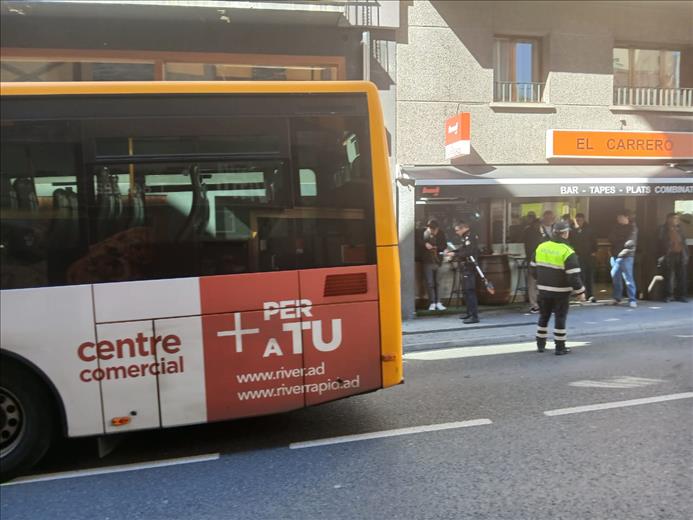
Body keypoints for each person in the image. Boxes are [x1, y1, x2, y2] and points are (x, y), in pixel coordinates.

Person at [530, 220, 586, 355]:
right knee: (560, 318)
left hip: (543, 290)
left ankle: (540, 344)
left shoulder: (541, 247)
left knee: (543, 316)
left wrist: (542, 281)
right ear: (565, 233)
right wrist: (580, 292)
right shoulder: (567, 251)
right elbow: (573, 276)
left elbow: (532, 269)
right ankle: (560, 347)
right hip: (561, 292)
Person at [523, 210, 555, 313]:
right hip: (536, 259)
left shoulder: (555, 230)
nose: (549, 220)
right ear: (543, 218)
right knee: (533, 282)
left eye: (551, 218)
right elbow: (530, 246)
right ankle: (534, 305)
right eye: (547, 218)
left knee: (548, 283)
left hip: (551, 261)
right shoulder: (534, 230)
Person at [449, 221, 480, 324]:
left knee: (470, 291)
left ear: (463, 228)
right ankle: (469, 313)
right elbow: (463, 249)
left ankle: (474, 316)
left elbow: (469, 251)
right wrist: (453, 252)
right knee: (466, 291)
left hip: (470, 267)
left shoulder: (470, 237)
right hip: (466, 266)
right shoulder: (466, 237)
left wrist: (455, 255)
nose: (457, 232)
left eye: (457, 230)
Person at [608, 210, 638, 308]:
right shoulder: (615, 227)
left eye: (620, 217)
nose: (618, 219)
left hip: (626, 256)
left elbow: (629, 243)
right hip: (615, 254)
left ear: (626, 217)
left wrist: (619, 242)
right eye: (618, 218)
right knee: (615, 276)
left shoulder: (633, 228)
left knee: (628, 278)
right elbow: (611, 238)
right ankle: (617, 298)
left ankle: (632, 299)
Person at [658, 213, 688, 302]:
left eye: (677, 218)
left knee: (681, 276)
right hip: (669, 254)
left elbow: (683, 241)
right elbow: (660, 241)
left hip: (680, 254)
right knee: (668, 276)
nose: (676, 220)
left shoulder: (680, 228)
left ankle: (681, 295)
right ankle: (668, 295)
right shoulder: (663, 229)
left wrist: (686, 254)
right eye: (674, 218)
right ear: (669, 219)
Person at [570, 213, 598, 303]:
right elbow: (570, 242)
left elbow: (594, 241)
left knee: (589, 276)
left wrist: (594, 251)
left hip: (589, 255)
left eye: (580, 220)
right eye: (577, 220)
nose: (578, 222)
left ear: (584, 220)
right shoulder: (571, 230)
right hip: (578, 256)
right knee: (580, 276)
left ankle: (590, 295)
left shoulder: (590, 229)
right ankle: (582, 295)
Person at [422, 218, 447, 311]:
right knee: (430, 283)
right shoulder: (424, 234)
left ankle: (438, 302)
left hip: (438, 261)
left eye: (435, 229)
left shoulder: (441, 233)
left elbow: (444, 245)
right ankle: (432, 302)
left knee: (438, 283)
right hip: (427, 261)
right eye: (431, 229)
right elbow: (418, 243)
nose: (433, 231)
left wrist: (437, 247)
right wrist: (425, 244)